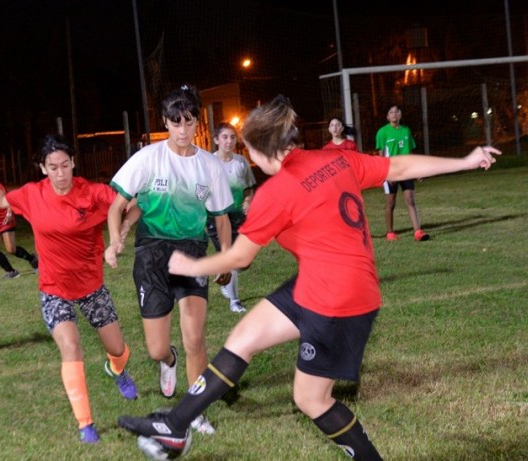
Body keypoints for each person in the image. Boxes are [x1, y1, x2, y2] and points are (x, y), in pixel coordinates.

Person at [117, 95, 500, 460]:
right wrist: (465, 161)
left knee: (311, 399)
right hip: (324, 282)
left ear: (269, 152)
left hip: (337, 302)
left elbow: (240, 257)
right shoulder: (332, 160)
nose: (250, 159)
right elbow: (398, 168)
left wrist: (190, 266)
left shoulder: (276, 192)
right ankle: (175, 425)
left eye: (251, 152)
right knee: (243, 338)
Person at [0, 135, 139, 444]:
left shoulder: (93, 192)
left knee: (118, 349)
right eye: (52, 167)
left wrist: (122, 229)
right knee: (71, 348)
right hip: (54, 288)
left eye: (65, 165)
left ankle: (118, 370)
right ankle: (86, 424)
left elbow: (133, 205)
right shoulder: (32, 195)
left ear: (73, 163)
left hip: (92, 286)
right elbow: (1, 200)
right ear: (43, 168)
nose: (60, 173)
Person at [105, 84, 235, 435]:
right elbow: (118, 206)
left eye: (189, 122)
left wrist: (225, 256)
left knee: (195, 337)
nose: (182, 131)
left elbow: (221, 219)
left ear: (198, 123)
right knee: (156, 347)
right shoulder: (148, 158)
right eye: (175, 123)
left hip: (192, 252)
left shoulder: (210, 166)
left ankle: (196, 413)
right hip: (152, 253)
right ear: (165, 122)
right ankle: (169, 360)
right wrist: (115, 240)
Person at [207, 122, 257, 314]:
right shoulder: (208, 163)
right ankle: (234, 301)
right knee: (232, 259)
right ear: (216, 140)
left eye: (232, 137)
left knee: (244, 261)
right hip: (217, 219)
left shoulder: (241, 162)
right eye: (225, 137)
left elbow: (248, 189)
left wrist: (247, 202)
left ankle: (225, 278)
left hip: (238, 219)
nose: (229, 141)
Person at [375, 104, 429, 242]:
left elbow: (410, 152)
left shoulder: (406, 131)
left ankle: (418, 231)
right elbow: (381, 156)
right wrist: (385, 173)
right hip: (391, 171)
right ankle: (390, 232)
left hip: (406, 170)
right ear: (387, 117)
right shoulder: (382, 132)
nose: (394, 114)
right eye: (391, 112)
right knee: (391, 203)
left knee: (410, 199)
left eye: (397, 111)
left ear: (400, 115)